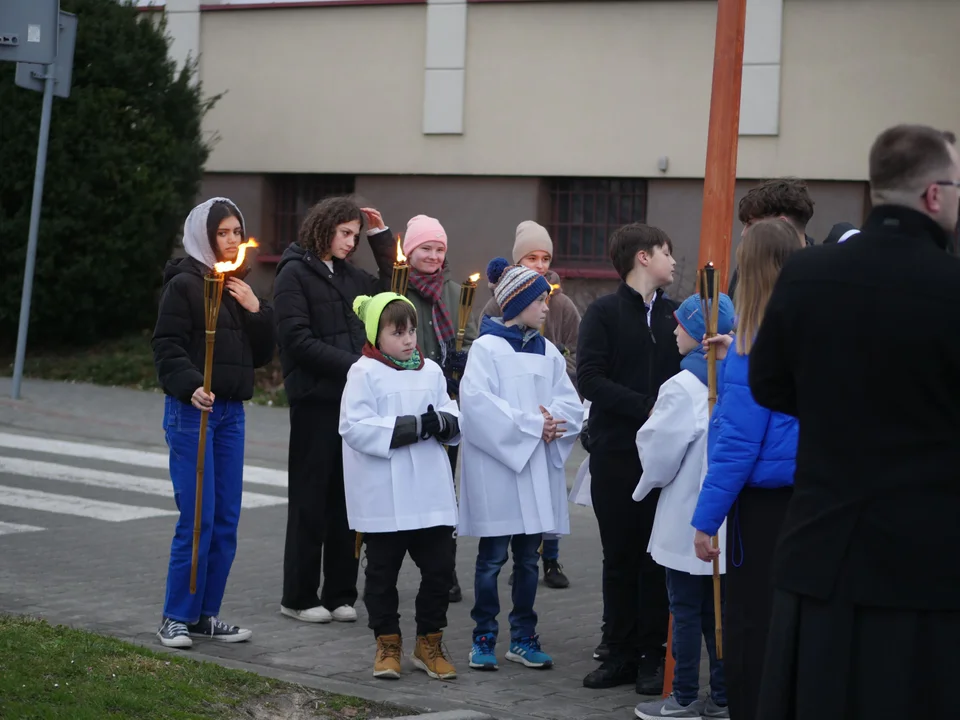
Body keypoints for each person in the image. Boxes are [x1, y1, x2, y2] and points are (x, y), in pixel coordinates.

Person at [750, 125, 960, 719]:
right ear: (935, 196)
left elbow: (769, 381)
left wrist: (837, 410)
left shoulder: (809, 275)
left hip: (823, 553)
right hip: (927, 568)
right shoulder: (951, 287)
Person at [690, 218, 802, 720]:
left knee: (752, 627)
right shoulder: (809, 331)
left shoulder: (752, 348)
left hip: (761, 510)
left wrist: (705, 519)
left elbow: (736, 445)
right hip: (807, 497)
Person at [152, 197, 275, 648]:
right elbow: (166, 346)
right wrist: (189, 385)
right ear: (204, 236)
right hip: (193, 413)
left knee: (225, 519)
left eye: (235, 232)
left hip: (231, 414)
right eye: (222, 233)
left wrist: (256, 309)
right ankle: (175, 616)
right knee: (198, 517)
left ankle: (205, 614)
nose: (230, 241)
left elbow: (261, 355)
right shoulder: (185, 285)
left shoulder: (238, 285)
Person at [458, 258, 583, 672]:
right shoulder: (486, 348)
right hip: (499, 472)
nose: (547, 307)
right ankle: (483, 636)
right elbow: (478, 407)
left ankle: (524, 636)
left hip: (534, 472)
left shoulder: (546, 350)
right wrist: (535, 425)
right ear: (516, 303)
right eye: (540, 300)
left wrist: (553, 424)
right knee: (492, 559)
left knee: (529, 560)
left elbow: (569, 400)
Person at [274, 197, 394, 625]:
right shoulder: (292, 274)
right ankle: (299, 596)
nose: (350, 242)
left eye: (355, 235)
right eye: (345, 233)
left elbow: (388, 295)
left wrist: (382, 239)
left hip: (349, 402)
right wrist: (358, 366)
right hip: (314, 402)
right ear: (322, 228)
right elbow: (297, 341)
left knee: (348, 500)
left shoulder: (348, 275)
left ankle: (341, 593)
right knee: (310, 500)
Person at [577, 223, 680, 694]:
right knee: (619, 556)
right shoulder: (602, 313)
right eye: (666, 252)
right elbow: (590, 379)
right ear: (643, 257)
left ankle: (653, 656)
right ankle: (617, 652)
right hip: (617, 454)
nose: (673, 262)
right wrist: (646, 406)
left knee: (654, 559)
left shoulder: (676, 317)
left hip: (665, 460)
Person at [340, 292, 461, 681]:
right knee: (381, 575)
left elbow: (453, 411)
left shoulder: (431, 372)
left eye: (412, 330)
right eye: (398, 332)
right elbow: (354, 427)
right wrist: (409, 428)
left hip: (429, 491)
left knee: (440, 571)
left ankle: (429, 641)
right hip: (386, 496)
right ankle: (387, 642)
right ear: (377, 334)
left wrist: (445, 421)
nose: (409, 339)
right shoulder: (364, 372)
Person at [632, 291, 735, 720]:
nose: (674, 331)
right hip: (727, 516)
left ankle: (686, 695)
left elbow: (658, 452)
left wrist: (646, 482)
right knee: (720, 609)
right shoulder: (738, 381)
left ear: (698, 333)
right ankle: (726, 697)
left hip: (687, 514)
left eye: (682, 324)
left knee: (686, 609)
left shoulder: (682, 386)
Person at [481, 220, 581, 590]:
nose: (540, 264)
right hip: (518, 411)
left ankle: (549, 557)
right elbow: (491, 354)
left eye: (545, 258)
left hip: (551, 409)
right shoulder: (498, 305)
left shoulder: (563, 306)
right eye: (531, 258)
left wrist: (553, 403)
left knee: (550, 489)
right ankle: (514, 552)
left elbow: (573, 354)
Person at [397, 214, 477, 604]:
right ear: (410, 251)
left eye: (439, 249)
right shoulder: (398, 291)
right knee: (401, 485)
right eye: (425, 248)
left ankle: (445, 571)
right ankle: (384, 566)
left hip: (445, 404)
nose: (432, 255)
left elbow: (469, 335)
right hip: (405, 401)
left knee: (445, 491)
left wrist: (463, 358)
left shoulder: (453, 291)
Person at [727, 177, 816, 301]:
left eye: (751, 224)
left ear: (782, 225)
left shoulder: (819, 274)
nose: (744, 233)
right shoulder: (747, 267)